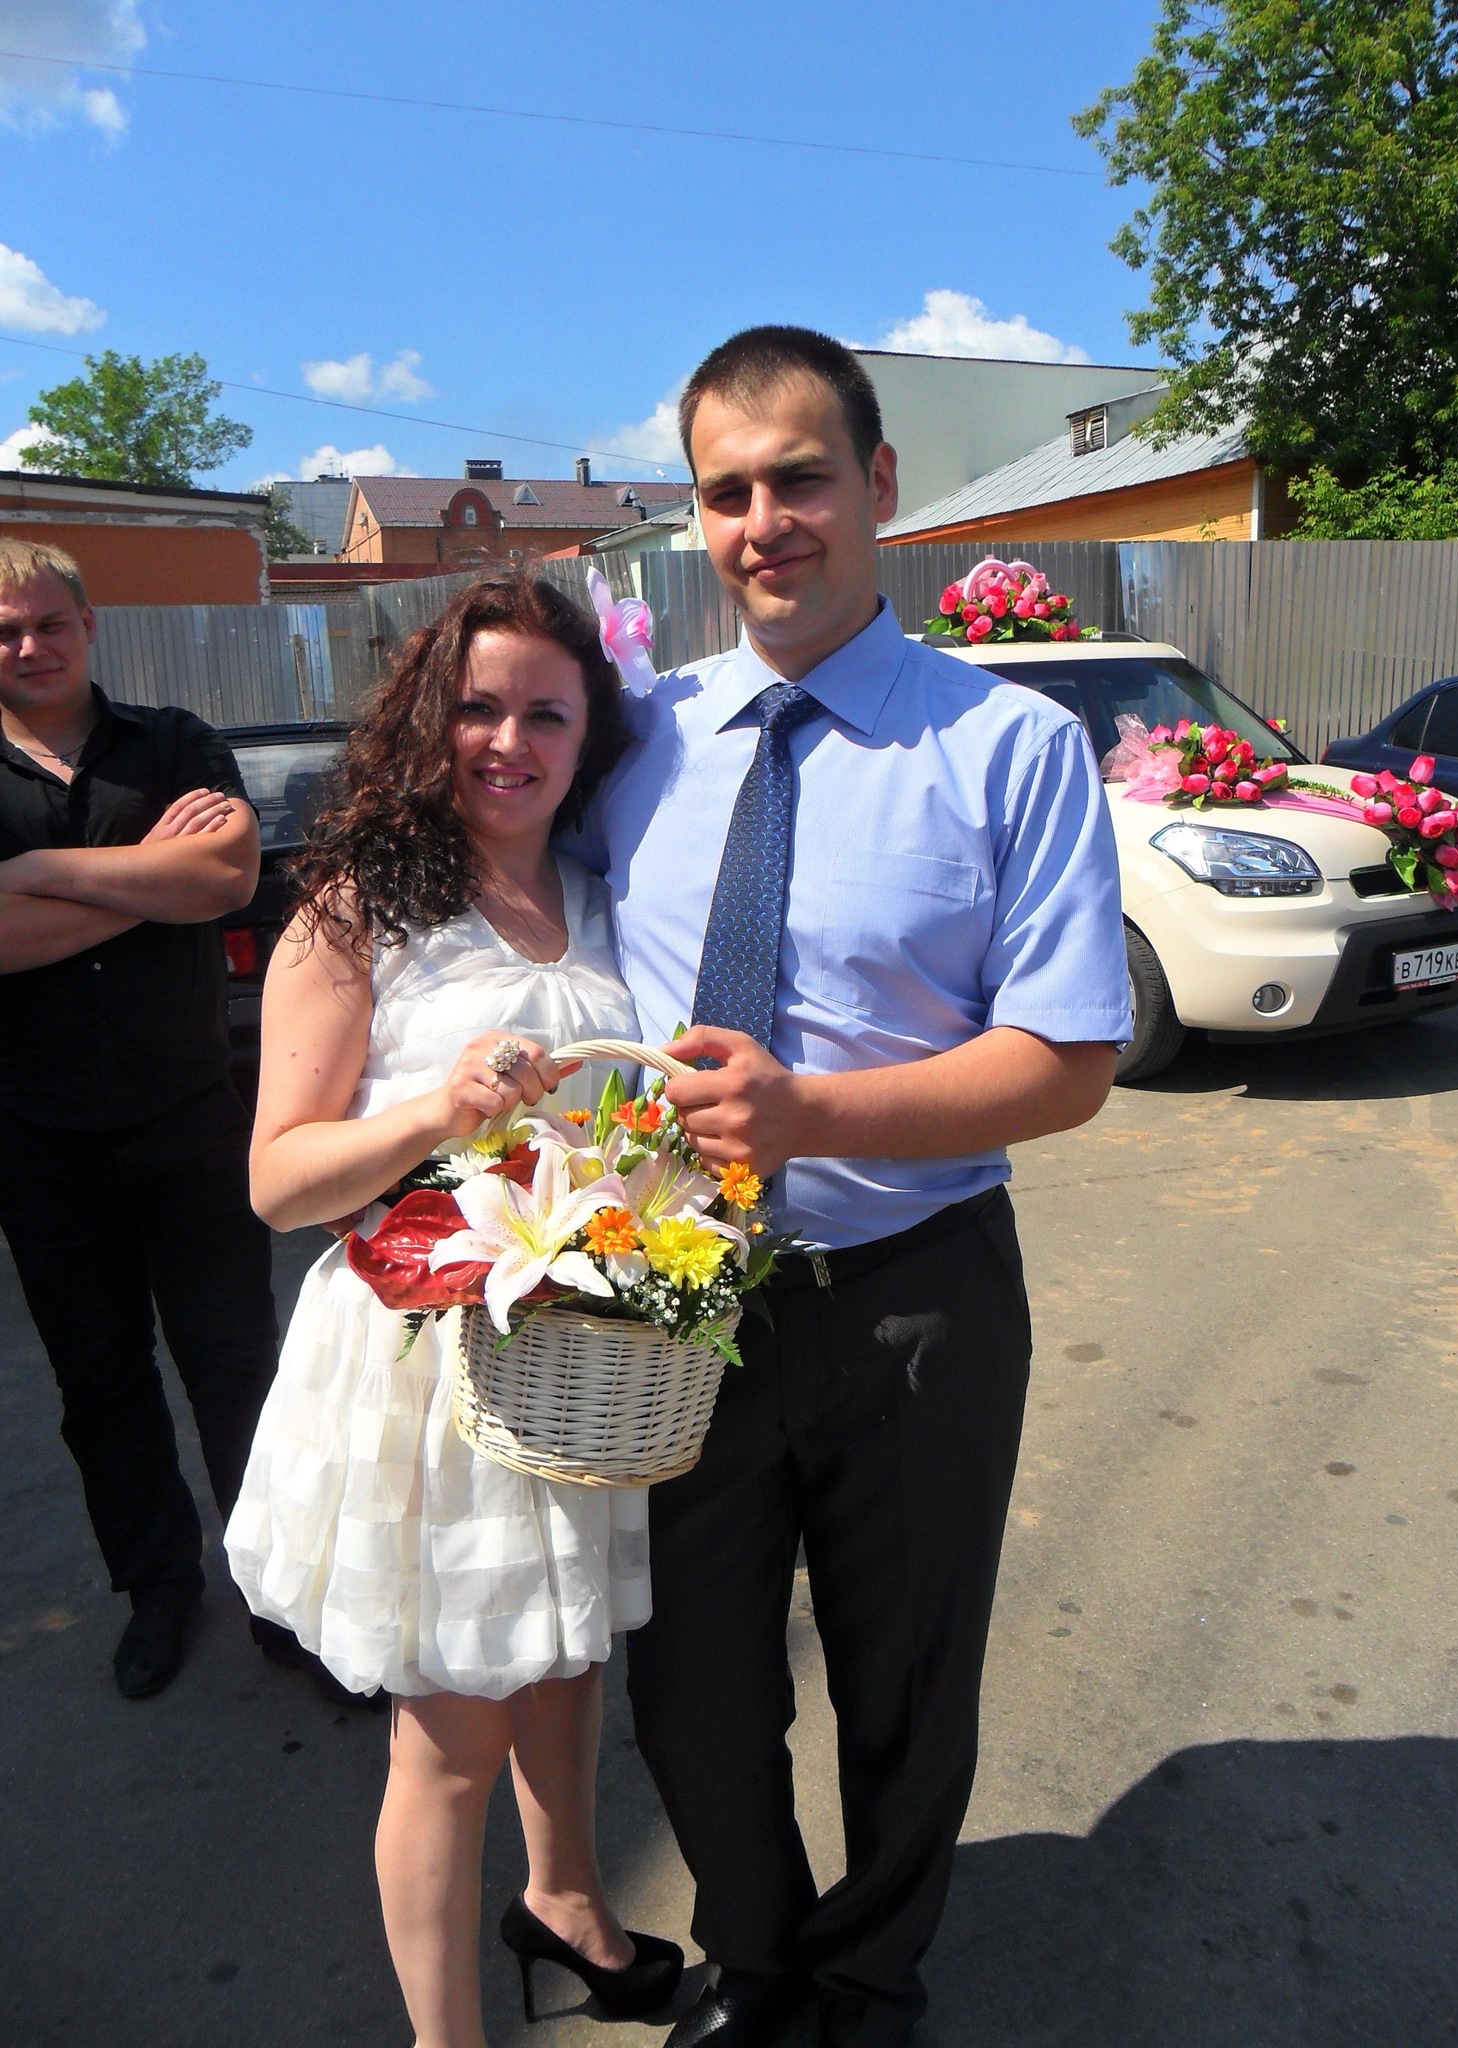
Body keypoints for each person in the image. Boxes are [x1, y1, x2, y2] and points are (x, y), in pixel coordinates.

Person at [581, 328, 1132, 2048]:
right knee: (692, 1679)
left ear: (879, 484)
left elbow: (1069, 1057)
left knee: (904, 1671)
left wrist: (805, 1112)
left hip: (914, 1292)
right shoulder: (636, 738)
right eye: (726, 491)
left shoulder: (1010, 746)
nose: (765, 523)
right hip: (674, 1301)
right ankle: (758, 1964)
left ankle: (873, 1977)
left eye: (800, 478)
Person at [224, 571, 683, 2048]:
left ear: (588, 734)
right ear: (429, 720)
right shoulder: (356, 910)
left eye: (546, 713)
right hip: (430, 1373)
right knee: (451, 1738)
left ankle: (567, 1904)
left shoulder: (604, 895)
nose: (507, 741)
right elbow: (278, 1181)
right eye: (478, 707)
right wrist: (435, 1107)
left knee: (570, 1655)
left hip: (580, 1354)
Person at [0, 536, 284, 1701]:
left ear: (88, 624)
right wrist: (146, 877)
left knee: (237, 1364)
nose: (28, 645)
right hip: (39, 1138)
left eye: (47, 622)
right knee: (101, 1381)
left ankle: (279, 1591)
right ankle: (158, 1589)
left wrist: (32, 875)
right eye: (5, 631)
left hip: (187, 1119)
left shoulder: (173, 741)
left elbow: (226, 878)